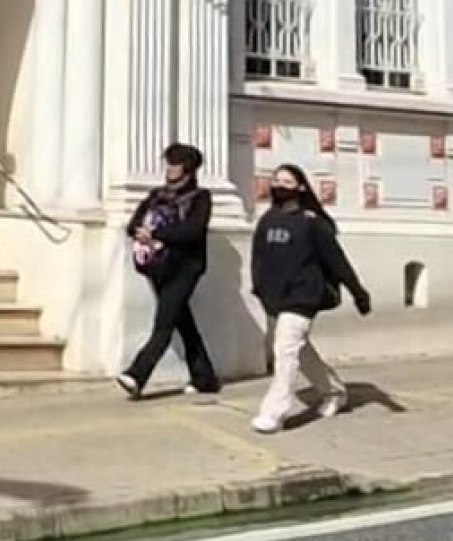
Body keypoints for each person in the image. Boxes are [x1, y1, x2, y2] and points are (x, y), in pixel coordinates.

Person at [249, 163, 371, 434]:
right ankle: (334, 391)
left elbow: (337, 260)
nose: (280, 186)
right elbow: (258, 259)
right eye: (276, 181)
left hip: (304, 295)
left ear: (301, 187)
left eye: (287, 182)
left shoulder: (312, 222)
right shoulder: (267, 220)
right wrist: (259, 288)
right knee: (298, 349)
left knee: (285, 350)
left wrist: (358, 293)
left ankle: (274, 412)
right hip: (275, 297)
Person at [116, 143, 220, 399]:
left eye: (175, 164)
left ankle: (137, 375)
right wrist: (139, 233)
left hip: (186, 268)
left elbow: (193, 232)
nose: (170, 168)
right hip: (158, 267)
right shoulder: (156, 196)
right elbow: (133, 224)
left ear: (188, 169)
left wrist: (157, 234)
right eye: (169, 163)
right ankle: (204, 377)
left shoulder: (200, 198)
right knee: (182, 322)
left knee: (163, 325)